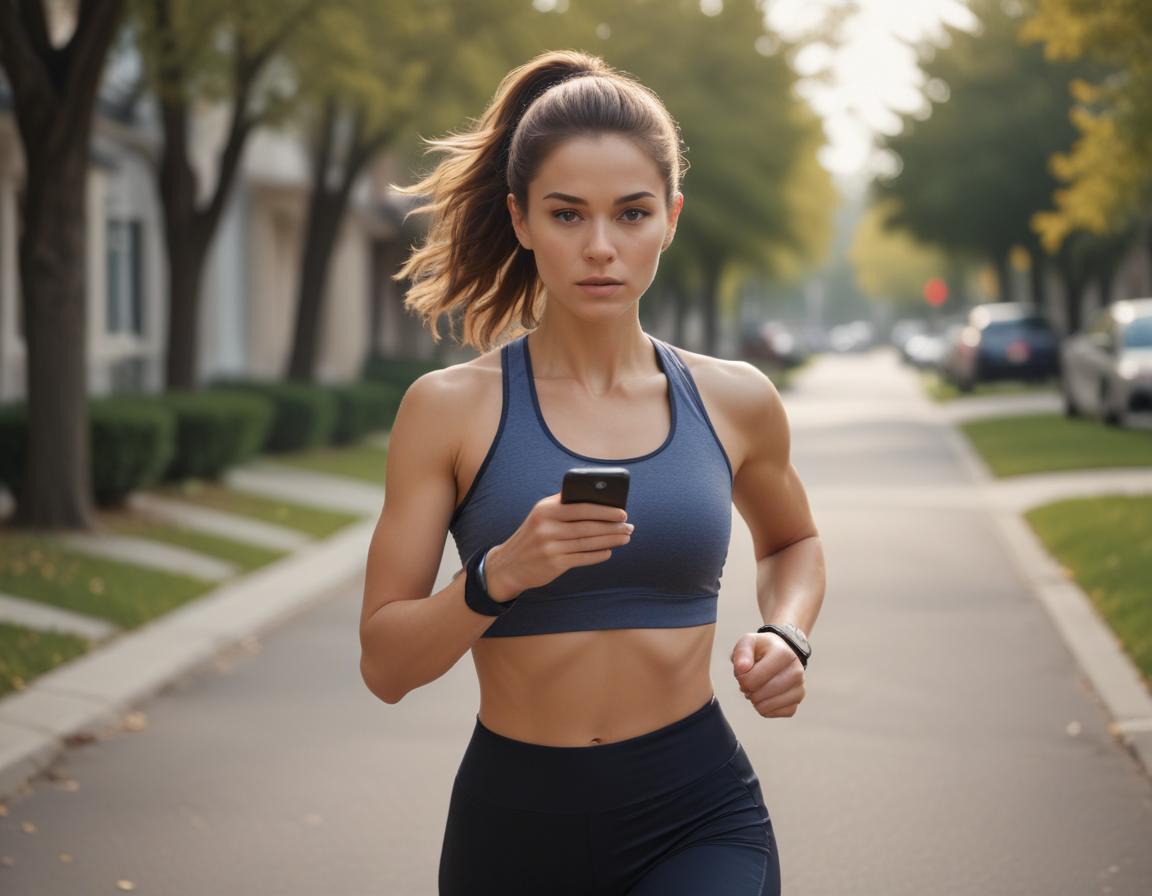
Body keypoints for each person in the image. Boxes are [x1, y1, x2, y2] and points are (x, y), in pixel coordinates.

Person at [359, 49, 826, 896]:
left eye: (632, 213)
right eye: (568, 215)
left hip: (699, 813)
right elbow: (385, 666)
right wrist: (497, 577)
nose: (602, 247)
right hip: (514, 826)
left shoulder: (736, 399)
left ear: (672, 217)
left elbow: (792, 541)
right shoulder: (448, 410)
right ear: (522, 218)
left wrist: (786, 632)